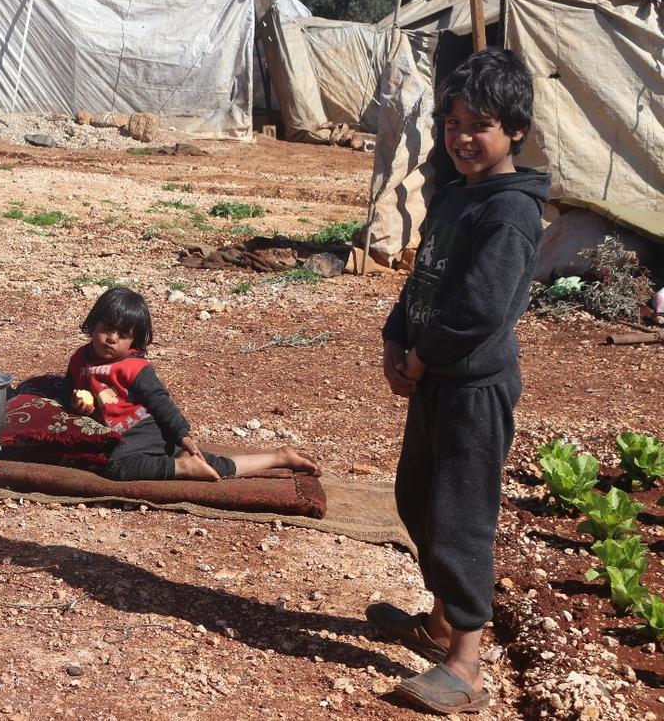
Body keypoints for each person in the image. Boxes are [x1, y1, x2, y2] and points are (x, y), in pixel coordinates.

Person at [369, 48, 550, 715]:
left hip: (473, 388)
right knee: (417, 496)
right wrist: (396, 336)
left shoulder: (511, 213)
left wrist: (422, 356)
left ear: (516, 130)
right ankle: (441, 621)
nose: (462, 137)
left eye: (480, 125)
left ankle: (465, 662)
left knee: (461, 517)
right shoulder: (455, 196)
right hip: (436, 379)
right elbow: (424, 279)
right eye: (453, 123)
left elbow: (479, 310)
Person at [64, 286, 317, 482]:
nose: (111, 339)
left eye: (123, 335)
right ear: (93, 324)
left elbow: (161, 403)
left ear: (134, 341)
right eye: (107, 329)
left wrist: (183, 437)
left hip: (143, 429)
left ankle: (182, 466)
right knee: (211, 465)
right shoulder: (79, 359)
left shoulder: (135, 367)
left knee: (116, 466)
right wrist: (77, 405)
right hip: (116, 433)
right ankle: (279, 457)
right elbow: (68, 390)